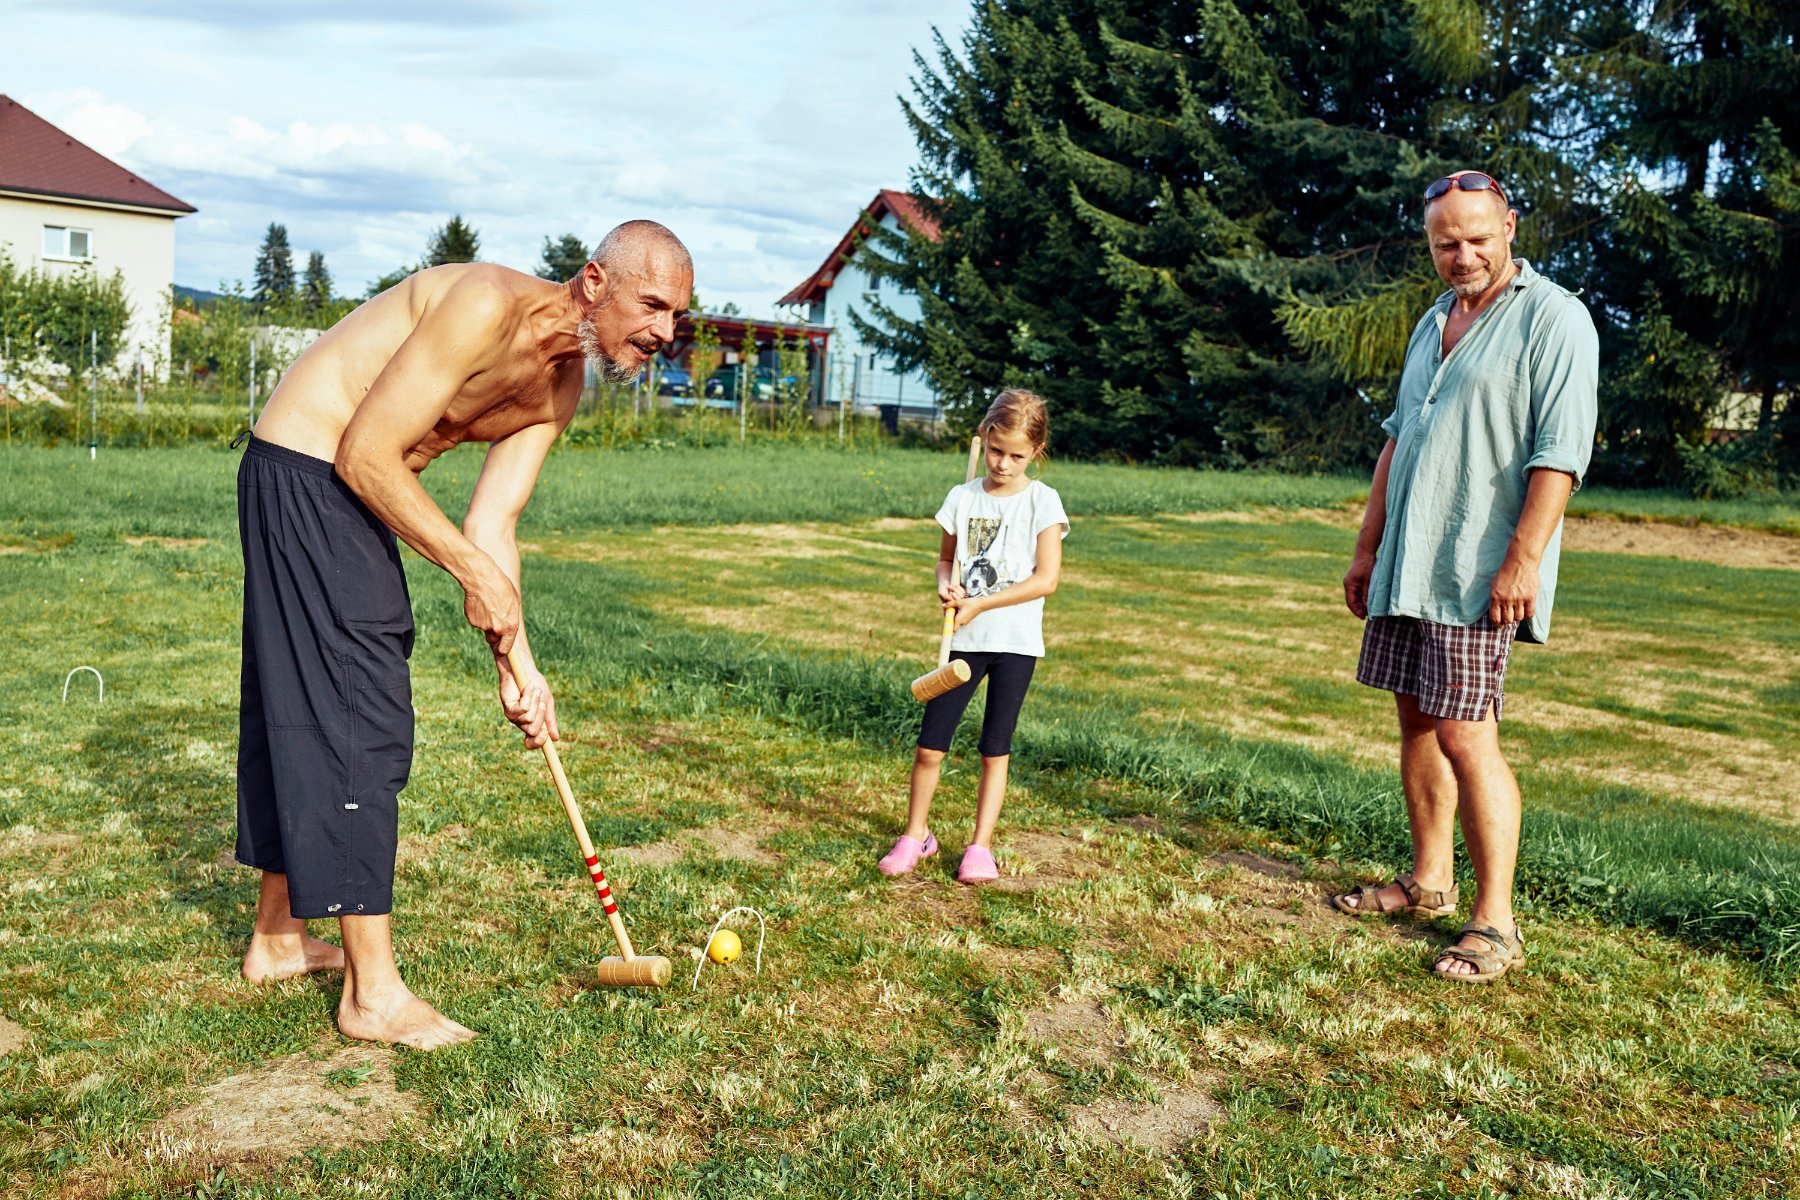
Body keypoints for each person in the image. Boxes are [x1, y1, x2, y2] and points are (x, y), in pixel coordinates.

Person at [233, 221, 693, 1047]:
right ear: (595, 282)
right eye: (653, 304)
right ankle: (373, 996)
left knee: (302, 701)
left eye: (677, 315)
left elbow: (493, 525)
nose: (665, 330)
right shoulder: (484, 304)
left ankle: (277, 939)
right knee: (359, 709)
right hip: (310, 465)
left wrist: (521, 668)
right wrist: (471, 574)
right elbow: (366, 453)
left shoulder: (560, 386)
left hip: (336, 478)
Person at [1333, 171, 1597, 982]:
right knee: (1417, 720)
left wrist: (1523, 560)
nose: (1463, 255)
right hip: (1408, 561)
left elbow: (1561, 454)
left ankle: (1497, 922)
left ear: (1510, 226)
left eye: (1478, 238)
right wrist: (1367, 546)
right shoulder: (1433, 320)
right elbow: (1397, 438)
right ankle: (1429, 883)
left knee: (1465, 731)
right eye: (1446, 243)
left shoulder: (1554, 318)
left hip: (1477, 570)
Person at [878, 389, 1068, 884]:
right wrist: (946, 585)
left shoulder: (1043, 501)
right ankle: (916, 836)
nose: (1003, 464)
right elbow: (946, 560)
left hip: (1015, 643)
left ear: (1036, 451)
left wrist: (982, 602)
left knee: (994, 749)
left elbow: (1047, 579)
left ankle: (980, 847)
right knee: (930, 746)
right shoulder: (962, 498)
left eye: (1017, 456)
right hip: (963, 641)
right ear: (983, 439)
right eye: (996, 450)